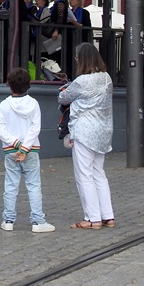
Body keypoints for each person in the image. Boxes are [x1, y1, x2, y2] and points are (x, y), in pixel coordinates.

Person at [59, 43, 115, 230]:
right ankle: (108, 215)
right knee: (99, 173)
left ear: (80, 59)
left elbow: (63, 98)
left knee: (84, 175)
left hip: (84, 130)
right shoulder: (107, 78)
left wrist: (65, 89)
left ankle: (92, 218)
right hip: (103, 131)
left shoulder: (81, 81)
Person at [0, 68, 55, 233]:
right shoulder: (34, 104)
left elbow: (0, 129)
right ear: (28, 85)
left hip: (10, 151)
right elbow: (35, 129)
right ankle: (38, 221)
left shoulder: (5, 105)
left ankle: (8, 220)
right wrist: (25, 148)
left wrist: (15, 145)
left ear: (9, 85)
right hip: (31, 151)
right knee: (34, 185)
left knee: (11, 185)